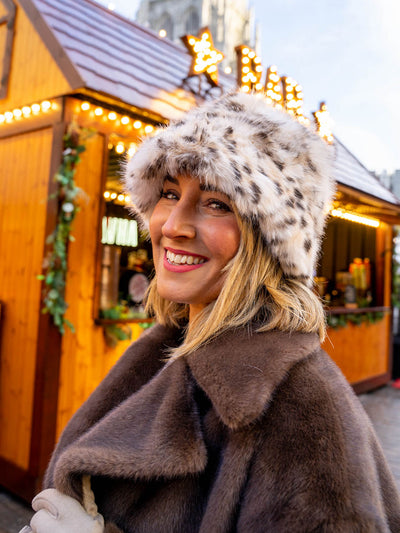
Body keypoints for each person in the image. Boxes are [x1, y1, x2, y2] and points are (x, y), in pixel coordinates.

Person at [21, 91, 400, 533]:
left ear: (270, 242)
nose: (172, 225)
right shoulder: (167, 347)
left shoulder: (309, 416)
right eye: (167, 193)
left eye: (216, 203)